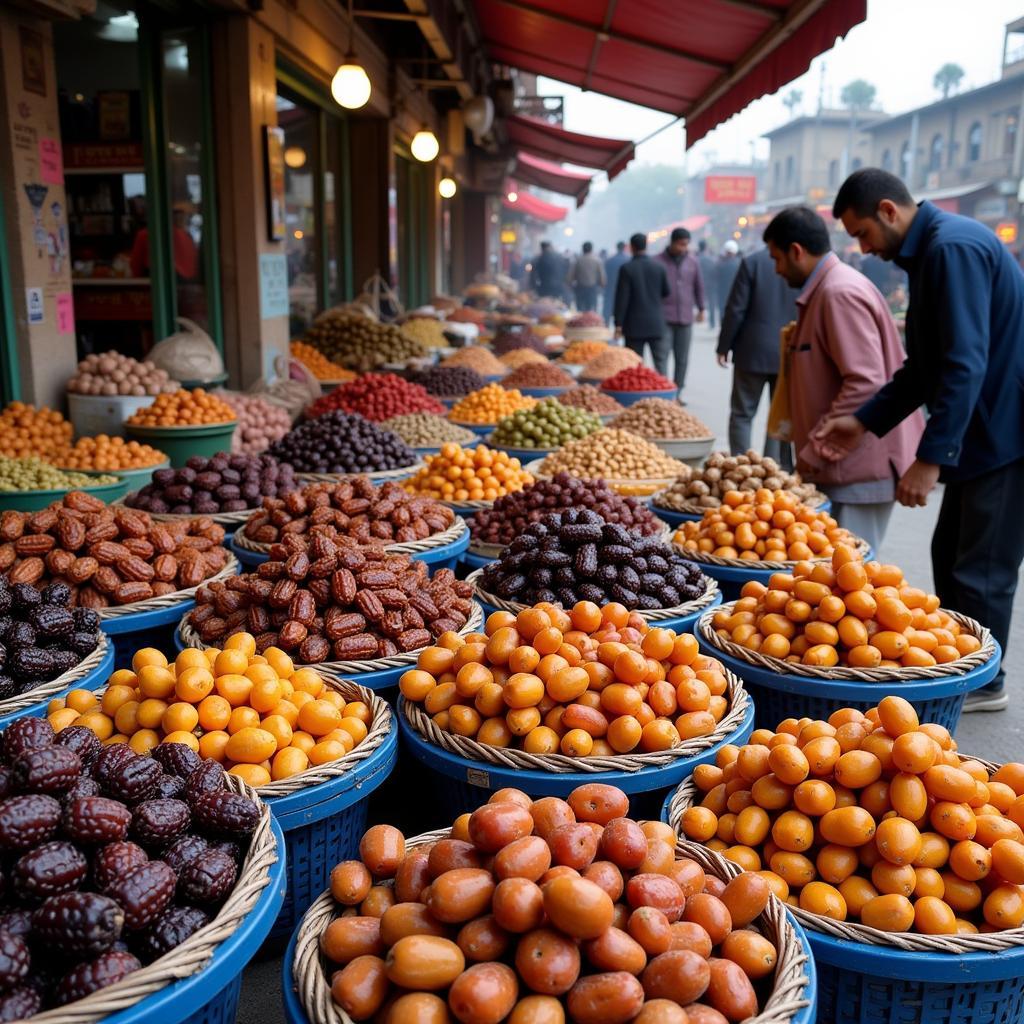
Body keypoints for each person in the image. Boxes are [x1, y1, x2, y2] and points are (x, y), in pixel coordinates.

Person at [818, 168, 1024, 712]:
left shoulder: (951, 248)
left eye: (862, 233)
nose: (864, 248)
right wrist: (863, 419)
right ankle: (963, 661)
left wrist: (930, 458)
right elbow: (925, 367)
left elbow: (961, 365)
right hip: (981, 427)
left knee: (979, 566)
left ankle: (985, 679)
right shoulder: (935, 249)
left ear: (889, 211)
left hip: (1004, 429)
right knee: (952, 552)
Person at [762, 205, 923, 554]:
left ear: (796, 251)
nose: (775, 270)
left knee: (849, 579)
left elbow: (866, 385)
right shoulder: (827, 290)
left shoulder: (838, 294)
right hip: (843, 466)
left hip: (857, 468)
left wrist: (817, 451)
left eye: (776, 259)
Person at [716, 245, 799, 467]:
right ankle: (773, 469)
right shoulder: (800, 262)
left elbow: (736, 308)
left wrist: (724, 345)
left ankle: (741, 468)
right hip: (788, 350)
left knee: (742, 413)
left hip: (752, 351)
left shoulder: (752, 261)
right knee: (779, 414)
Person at [654, 227, 705, 397]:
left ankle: (678, 391)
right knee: (662, 355)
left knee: (682, 358)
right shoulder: (657, 261)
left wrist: (701, 308)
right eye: (681, 244)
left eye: (686, 245)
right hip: (663, 317)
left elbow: (699, 286)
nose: (684, 248)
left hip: (685, 317)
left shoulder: (693, 261)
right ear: (673, 242)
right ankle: (663, 390)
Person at [613, 232, 669, 366]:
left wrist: (618, 324)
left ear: (631, 247)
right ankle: (665, 387)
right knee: (661, 364)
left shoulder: (627, 269)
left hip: (634, 326)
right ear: (646, 246)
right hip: (656, 323)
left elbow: (622, 299)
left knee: (635, 365)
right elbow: (666, 292)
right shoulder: (659, 267)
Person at [569, 242, 606, 313]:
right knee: (591, 310)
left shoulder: (577, 260)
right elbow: (602, 276)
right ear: (591, 249)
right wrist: (602, 285)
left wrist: (570, 286)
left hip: (580, 288)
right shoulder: (597, 260)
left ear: (582, 249)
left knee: (580, 310)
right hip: (592, 288)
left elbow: (570, 276)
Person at [714, 240, 741, 325]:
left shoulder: (720, 263)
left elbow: (715, 277)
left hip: (722, 292)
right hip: (735, 293)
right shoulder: (740, 263)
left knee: (723, 312)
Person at [604, 242, 629, 326]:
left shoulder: (609, 260)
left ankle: (606, 325)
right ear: (625, 247)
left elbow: (605, 275)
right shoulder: (628, 260)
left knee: (608, 308)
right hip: (625, 289)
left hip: (610, 287)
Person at [698, 240, 718, 330]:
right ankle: (712, 322)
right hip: (710, 284)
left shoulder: (695, 259)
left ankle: (699, 317)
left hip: (699, 284)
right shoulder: (711, 259)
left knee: (700, 302)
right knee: (711, 304)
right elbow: (715, 271)